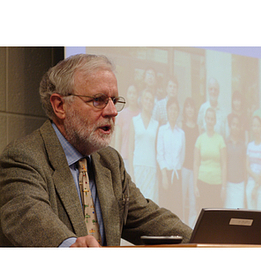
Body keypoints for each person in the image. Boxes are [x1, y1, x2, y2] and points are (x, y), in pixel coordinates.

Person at [0, 54, 192, 247]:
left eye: (114, 100)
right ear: (60, 106)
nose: (112, 111)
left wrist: (204, 240)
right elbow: (28, 215)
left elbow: (148, 218)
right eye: (98, 100)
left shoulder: (110, 161)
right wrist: (71, 245)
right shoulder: (24, 157)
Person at [128, 89, 159, 204]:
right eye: (146, 99)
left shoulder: (156, 124)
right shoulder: (135, 121)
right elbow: (130, 148)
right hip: (137, 167)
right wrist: (131, 171)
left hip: (151, 167)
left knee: (150, 203)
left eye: (151, 100)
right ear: (141, 100)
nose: (148, 102)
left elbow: (157, 150)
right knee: (137, 202)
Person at [157, 97, 185, 220]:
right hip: (165, 173)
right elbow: (160, 154)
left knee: (176, 208)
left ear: (178, 112)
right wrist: (164, 176)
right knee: (165, 207)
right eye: (171, 109)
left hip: (177, 175)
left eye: (175, 110)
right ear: (167, 111)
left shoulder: (181, 133)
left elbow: (182, 156)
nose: (173, 112)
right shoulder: (162, 130)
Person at [194, 107, 227, 209]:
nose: (210, 121)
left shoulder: (220, 139)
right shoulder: (200, 139)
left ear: (215, 121)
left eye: (212, 119)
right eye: (208, 118)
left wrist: (224, 187)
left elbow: (224, 164)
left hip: (217, 184)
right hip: (202, 182)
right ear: (205, 119)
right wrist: (195, 186)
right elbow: (196, 163)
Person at [181, 97, 199, 227]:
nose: (190, 109)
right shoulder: (181, 126)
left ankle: (192, 225)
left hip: (194, 169)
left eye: (192, 107)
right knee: (182, 198)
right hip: (183, 167)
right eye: (187, 107)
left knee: (193, 200)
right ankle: (181, 223)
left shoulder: (198, 128)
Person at [246, 116, 261, 210]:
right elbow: (247, 166)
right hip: (251, 182)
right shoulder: (249, 146)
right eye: (254, 126)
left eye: (258, 126)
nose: (256, 128)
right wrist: (255, 178)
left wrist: (256, 187)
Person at [114, 84, 140, 171]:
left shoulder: (141, 115)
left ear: (138, 96)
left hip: (137, 158)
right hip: (124, 157)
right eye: (130, 93)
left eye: (134, 93)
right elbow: (118, 139)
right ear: (127, 95)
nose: (132, 96)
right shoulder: (122, 114)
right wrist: (117, 159)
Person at [225, 114, 247, 208]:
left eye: (237, 125)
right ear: (230, 126)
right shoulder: (225, 143)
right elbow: (223, 164)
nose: (235, 127)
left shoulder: (243, 145)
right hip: (228, 184)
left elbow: (245, 166)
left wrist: (245, 185)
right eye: (233, 124)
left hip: (240, 185)